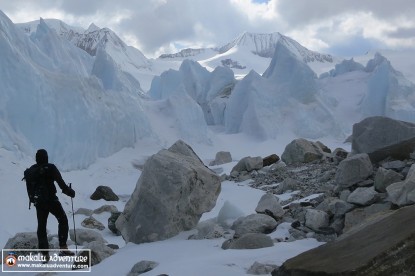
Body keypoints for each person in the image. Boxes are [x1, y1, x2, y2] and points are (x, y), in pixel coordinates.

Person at [28, 149, 76, 257]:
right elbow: (61, 184)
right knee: (62, 220)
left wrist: (33, 199)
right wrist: (70, 192)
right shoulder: (50, 167)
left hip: (39, 202)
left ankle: (45, 254)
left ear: (36, 158)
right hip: (51, 200)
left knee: (41, 226)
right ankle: (63, 248)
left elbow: (30, 188)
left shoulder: (31, 170)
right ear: (46, 157)